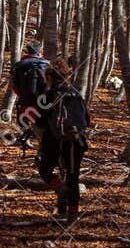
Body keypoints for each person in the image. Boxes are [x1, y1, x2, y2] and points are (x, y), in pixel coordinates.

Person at [35, 64, 92, 221]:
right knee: (73, 176)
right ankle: (72, 213)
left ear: (50, 77)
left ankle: (59, 188)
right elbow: (86, 120)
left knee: (44, 168)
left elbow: (39, 122)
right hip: (76, 140)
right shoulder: (76, 94)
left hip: (53, 140)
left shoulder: (48, 96)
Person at [9, 42, 50, 143]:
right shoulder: (47, 66)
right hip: (44, 103)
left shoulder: (19, 66)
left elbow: (14, 86)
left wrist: (22, 95)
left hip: (25, 101)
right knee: (42, 128)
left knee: (25, 123)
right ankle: (42, 148)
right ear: (41, 51)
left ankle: (25, 141)